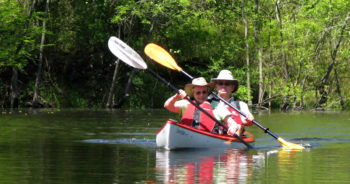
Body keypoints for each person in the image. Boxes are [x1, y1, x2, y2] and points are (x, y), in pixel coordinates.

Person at [164, 77, 242, 135]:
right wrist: (176, 96)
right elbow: (167, 106)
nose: (201, 95)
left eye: (204, 92)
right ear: (193, 93)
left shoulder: (217, 105)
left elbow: (232, 123)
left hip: (209, 140)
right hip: (187, 135)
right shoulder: (186, 103)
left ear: (207, 92)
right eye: (198, 93)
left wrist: (233, 127)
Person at [210, 70, 254, 135]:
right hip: (214, 136)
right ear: (216, 86)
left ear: (232, 87)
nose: (223, 86)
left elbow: (247, 121)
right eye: (220, 83)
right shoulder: (208, 102)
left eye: (227, 84)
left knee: (239, 126)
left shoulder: (241, 105)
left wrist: (249, 119)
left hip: (235, 139)